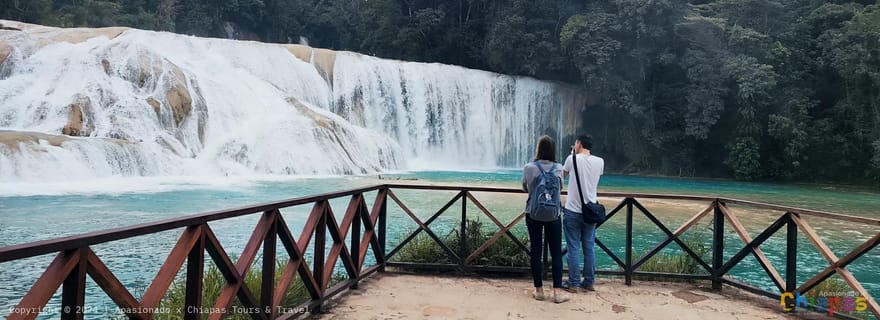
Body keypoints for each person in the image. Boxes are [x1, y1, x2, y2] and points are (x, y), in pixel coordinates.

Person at [521, 135, 569, 303]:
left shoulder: (529, 167)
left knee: (536, 250)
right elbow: (560, 187)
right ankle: (557, 292)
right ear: (553, 150)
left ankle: (539, 290)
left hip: (533, 213)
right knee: (556, 253)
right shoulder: (559, 167)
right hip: (553, 215)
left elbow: (524, 187)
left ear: (538, 149)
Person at [562, 134, 605, 292]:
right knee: (589, 247)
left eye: (575, 143)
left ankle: (573, 283)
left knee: (573, 247)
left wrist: (573, 155)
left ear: (578, 144)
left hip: (573, 210)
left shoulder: (571, 159)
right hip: (591, 211)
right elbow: (592, 179)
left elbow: (562, 175)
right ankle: (589, 282)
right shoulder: (600, 162)